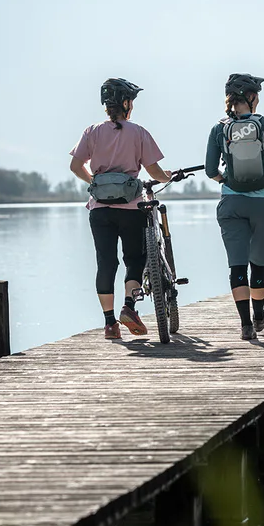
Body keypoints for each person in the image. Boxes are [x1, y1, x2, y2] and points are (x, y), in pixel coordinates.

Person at [70, 78, 171, 339]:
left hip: (99, 210)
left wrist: (94, 181)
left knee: (105, 262)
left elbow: (75, 166)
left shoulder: (91, 131)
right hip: (131, 208)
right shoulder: (138, 132)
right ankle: (129, 306)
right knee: (134, 259)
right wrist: (166, 177)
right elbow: (154, 171)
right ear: (126, 103)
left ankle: (109, 324)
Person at [206, 73, 264, 341]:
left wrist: (224, 180)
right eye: (257, 94)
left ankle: (246, 325)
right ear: (250, 96)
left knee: (237, 266)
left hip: (231, 203)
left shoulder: (219, 128)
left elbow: (210, 169)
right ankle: (260, 316)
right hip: (261, 203)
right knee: (258, 263)